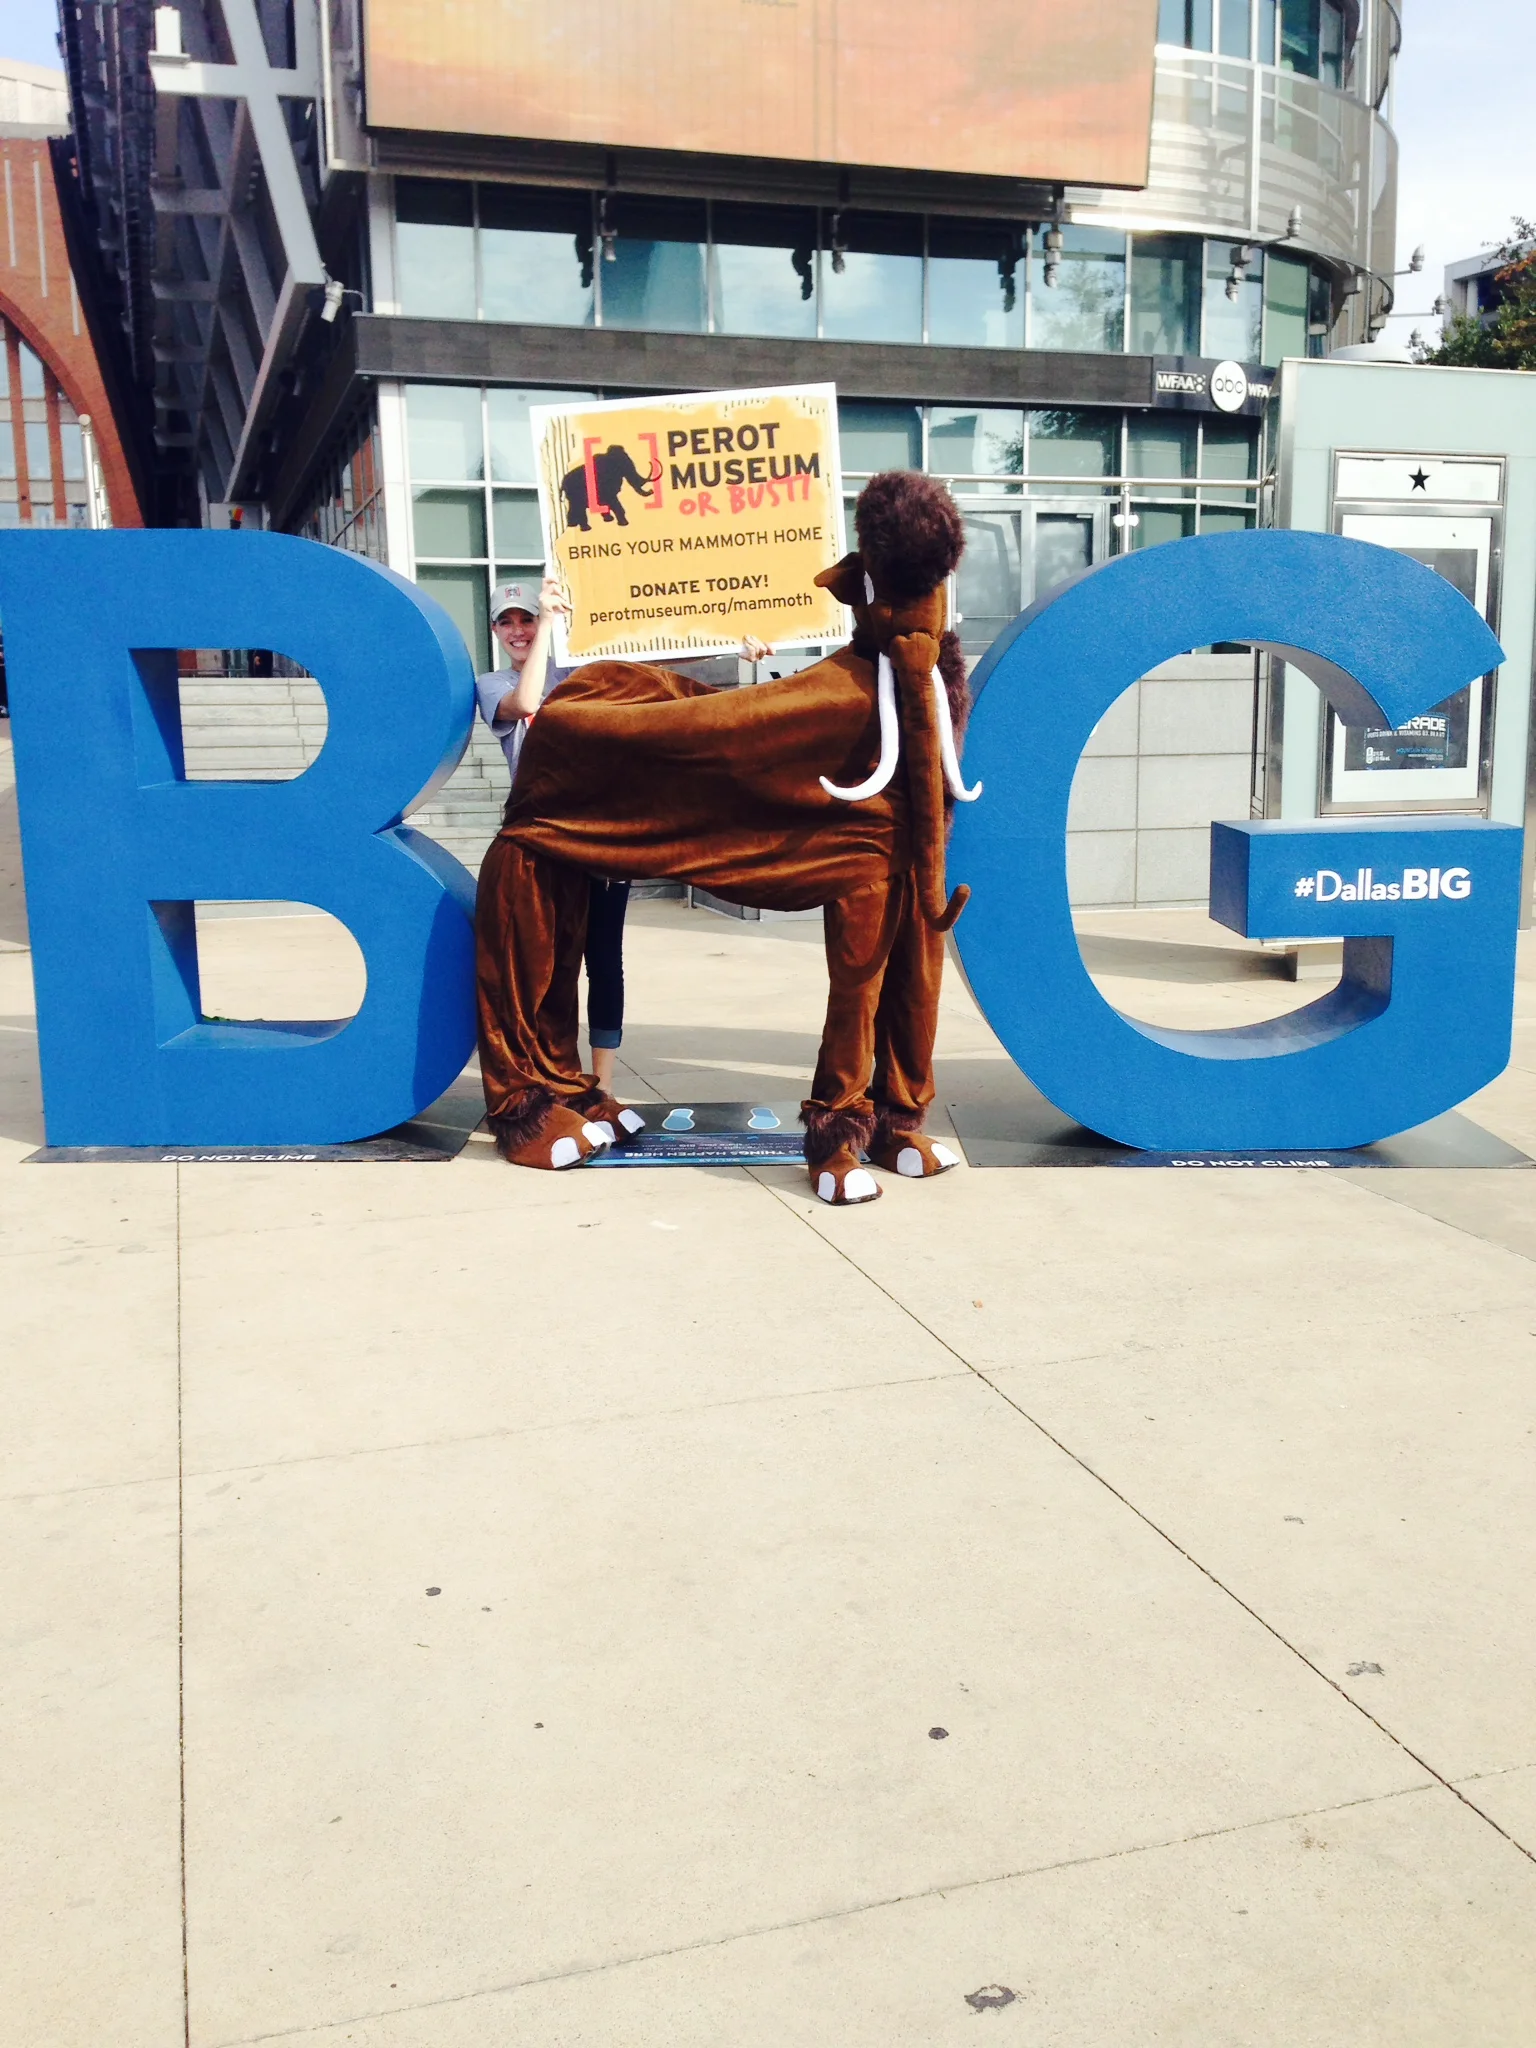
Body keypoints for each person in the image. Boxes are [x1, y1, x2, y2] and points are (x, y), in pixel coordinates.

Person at [477, 577, 631, 1095]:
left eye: (527, 618)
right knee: (544, 961)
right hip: (540, 838)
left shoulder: (583, 673)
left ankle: (602, 1085)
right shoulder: (492, 684)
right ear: (496, 630)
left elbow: (658, 661)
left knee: (603, 958)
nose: (518, 630)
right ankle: (549, 1072)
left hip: (599, 835)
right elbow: (524, 704)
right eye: (508, 621)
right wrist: (548, 627)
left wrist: (742, 643)